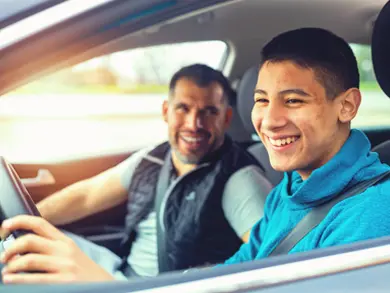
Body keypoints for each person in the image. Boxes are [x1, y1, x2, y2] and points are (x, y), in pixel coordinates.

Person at [0, 64, 271, 283]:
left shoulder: (239, 179)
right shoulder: (154, 157)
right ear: (166, 112)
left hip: (154, 288)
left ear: (225, 118)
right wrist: (19, 223)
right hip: (119, 271)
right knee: (26, 249)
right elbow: (86, 196)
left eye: (209, 112)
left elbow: (271, 257)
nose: (194, 124)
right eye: (183, 108)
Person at [222, 27, 390, 265]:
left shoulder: (371, 214)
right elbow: (246, 262)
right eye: (261, 100)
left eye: (292, 101)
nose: (270, 121)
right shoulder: (291, 187)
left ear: (347, 106)